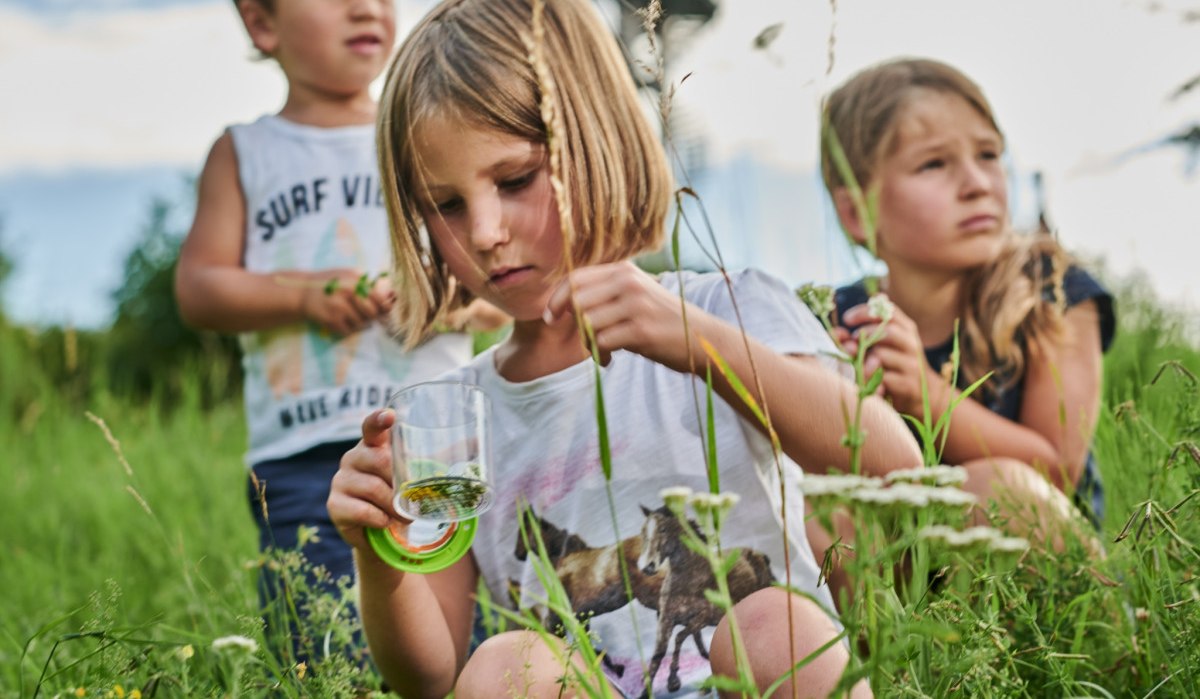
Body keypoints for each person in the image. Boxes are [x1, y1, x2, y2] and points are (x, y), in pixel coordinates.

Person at [327, 0, 924, 696]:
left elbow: (891, 465)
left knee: (773, 624)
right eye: (446, 204)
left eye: (515, 180)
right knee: (500, 667)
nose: (484, 231)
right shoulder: (465, 416)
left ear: (597, 140)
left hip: (757, 681)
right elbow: (428, 677)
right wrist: (381, 555)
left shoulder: (721, 310)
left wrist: (699, 343)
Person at [174, 0, 487, 652]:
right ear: (263, 24)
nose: (365, 7)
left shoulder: (426, 136)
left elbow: (502, 283)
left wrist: (436, 304)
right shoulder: (245, 154)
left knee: (461, 649)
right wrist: (304, 296)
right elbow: (200, 288)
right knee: (322, 652)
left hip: (435, 449)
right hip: (302, 460)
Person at [820, 58, 1116, 539]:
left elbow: (1058, 469)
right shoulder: (838, 320)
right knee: (827, 522)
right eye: (934, 164)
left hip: (1048, 586)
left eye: (988, 155)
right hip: (902, 589)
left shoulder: (1049, 292)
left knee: (996, 487)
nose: (978, 185)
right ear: (858, 213)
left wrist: (925, 394)